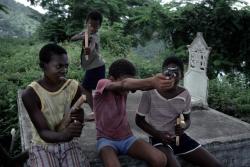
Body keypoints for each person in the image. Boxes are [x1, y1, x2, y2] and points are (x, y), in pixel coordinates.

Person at [135, 56, 222, 167]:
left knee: (216, 165)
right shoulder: (150, 92)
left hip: (179, 138)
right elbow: (139, 120)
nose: (172, 76)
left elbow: (187, 118)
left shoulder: (185, 94)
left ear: (181, 75)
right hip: (159, 139)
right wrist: (158, 134)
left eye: (176, 72)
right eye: (168, 72)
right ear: (162, 73)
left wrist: (183, 126)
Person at [93, 58, 176, 167]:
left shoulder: (125, 90)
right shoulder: (102, 83)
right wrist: (152, 81)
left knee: (160, 159)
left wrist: (158, 82)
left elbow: (137, 86)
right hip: (106, 141)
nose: (128, 89)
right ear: (111, 79)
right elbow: (124, 84)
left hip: (127, 138)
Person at [22, 43, 90, 167]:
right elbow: (43, 132)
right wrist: (65, 135)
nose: (64, 70)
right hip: (42, 145)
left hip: (68, 144)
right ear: (43, 66)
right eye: (59, 66)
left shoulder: (73, 87)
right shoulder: (31, 94)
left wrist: (78, 119)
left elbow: (76, 120)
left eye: (66, 66)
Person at [71, 10, 105, 120]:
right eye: (91, 25)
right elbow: (73, 38)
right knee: (91, 90)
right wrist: (84, 35)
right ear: (86, 23)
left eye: (96, 26)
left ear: (99, 26)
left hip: (96, 67)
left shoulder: (95, 36)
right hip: (93, 66)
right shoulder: (85, 33)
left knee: (86, 89)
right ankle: (98, 111)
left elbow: (91, 48)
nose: (93, 28)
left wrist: (88, 48)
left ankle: (96, 112)